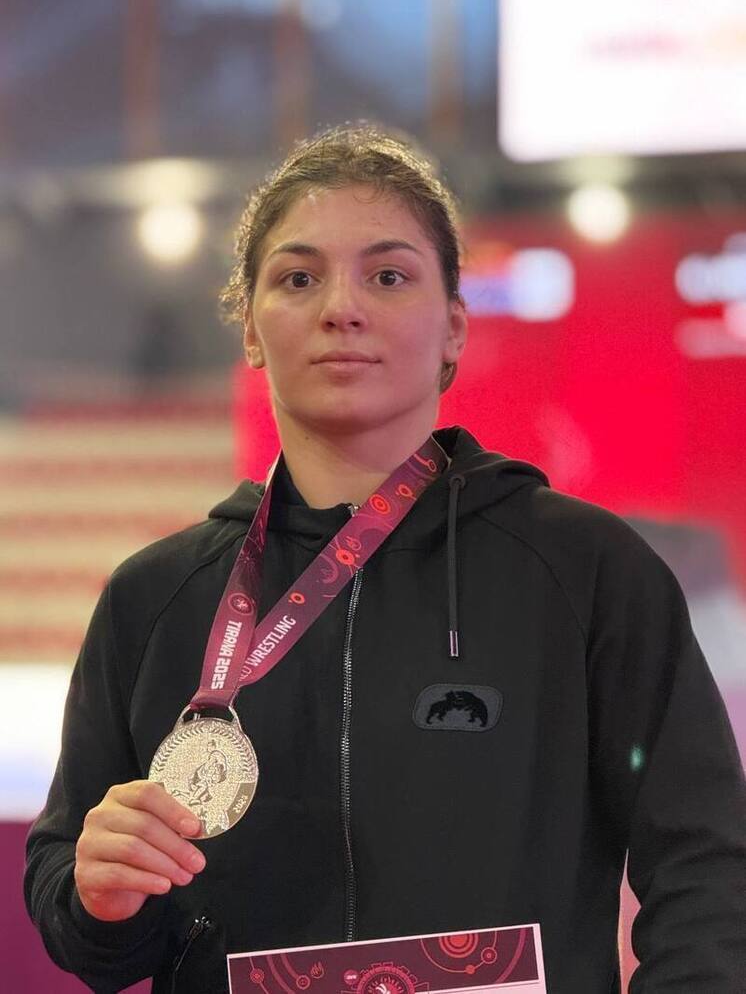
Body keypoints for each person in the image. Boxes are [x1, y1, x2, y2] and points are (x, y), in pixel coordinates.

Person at [24, 125, 746, 994]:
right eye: (298, 278)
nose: (342, 308)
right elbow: (77, 906)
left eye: (389, 276)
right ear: (250, 328)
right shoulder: (155, 599)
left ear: (454, 328)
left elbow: (710, 866)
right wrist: (99, 897)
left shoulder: (589, 571)